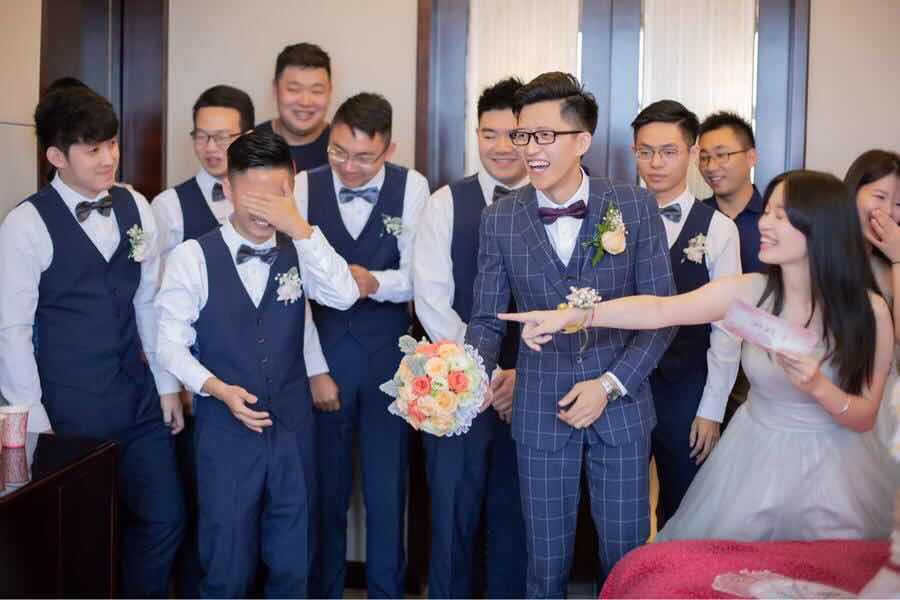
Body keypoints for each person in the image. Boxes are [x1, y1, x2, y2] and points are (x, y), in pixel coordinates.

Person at [501, 169, 896, 542]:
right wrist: (575, 316)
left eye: (781, 215)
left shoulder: (869, 311)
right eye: (768, 212)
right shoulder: (752, 292)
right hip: (754, 458)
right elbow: (660, 310)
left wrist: (818, 385)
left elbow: (864, 417)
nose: (764, 223)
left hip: (831, 468)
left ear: (821, 228)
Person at [464, 71, 676, 597]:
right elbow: (486, 320)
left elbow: (662, 315)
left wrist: (608, 386)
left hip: (620, 409)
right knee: (544, 564)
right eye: (523, 134)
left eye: (544, 135)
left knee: (625, 559)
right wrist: (463, 377)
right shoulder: (500, 219)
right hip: (540, 412)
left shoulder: (633, 206)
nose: (529, 149)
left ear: (581, 140)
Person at [155, 129, 359, 597]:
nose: (266, 210)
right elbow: (169, 346)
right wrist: (217, 389)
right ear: (228, 189)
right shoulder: (192, 257)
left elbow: (344, 296)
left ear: (292, 185)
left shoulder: (302, 247)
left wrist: (300, 227)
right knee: (226, 565)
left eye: (278, 195)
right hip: (226, 433)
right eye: (254, 197)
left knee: (293, 562)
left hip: (293, 428)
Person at [0, 87, 185, 596]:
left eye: (112, 144)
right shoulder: (25, 224)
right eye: (93, 149)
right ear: (56, 156)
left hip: (138, 399)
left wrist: (166, 386)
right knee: (83, 536)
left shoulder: (136, 205)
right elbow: (11, 332)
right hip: (69, 412)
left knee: (164, 518)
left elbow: (149, 301)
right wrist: (35, 426)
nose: (108, 158)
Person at [294, 92, 429, 598]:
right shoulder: (303, 186)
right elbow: (294, 283)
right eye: (338, 152)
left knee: (387, 488)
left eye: (364, 157)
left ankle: (387, 591)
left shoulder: (412, 187)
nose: (349, 167)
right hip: (325, 351)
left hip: (388, 355)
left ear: (388, 150)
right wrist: (313, 368)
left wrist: (375, 282)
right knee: (325, 489)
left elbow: (419, 276)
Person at [413, 77, 528, 598]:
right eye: (489, 134)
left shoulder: (552, 202)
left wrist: (518, 375)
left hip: (531, 384)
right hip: (456, 385)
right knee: (451, 517)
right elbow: (432, 299)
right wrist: (486, 372)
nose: (501, 147)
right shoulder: (445, 203)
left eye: (514, 135)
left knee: (517, 519)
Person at [630, 100, 742, 525]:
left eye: (669, 151)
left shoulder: (718, 228)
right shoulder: (613, 220)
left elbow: (728, 328)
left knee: (684, 510)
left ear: (693, 153)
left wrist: (712, 408)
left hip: (687, 389)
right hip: (625, 385)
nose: (656, 163)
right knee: (618, 507)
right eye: (645, 152)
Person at [845, 149, 900, 451]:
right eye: (879, 197)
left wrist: (898, 259)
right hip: (830, 396)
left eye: (899, 204)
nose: (888, 212)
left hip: (883, 405)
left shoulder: (891, 268)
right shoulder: (821, 252)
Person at [256, 42, 332, 173]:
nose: (305, 102)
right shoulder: (251, 143)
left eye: (317, 91)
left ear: (330, 92)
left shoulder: (344, 149)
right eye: (294, 89)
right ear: (275, 89)